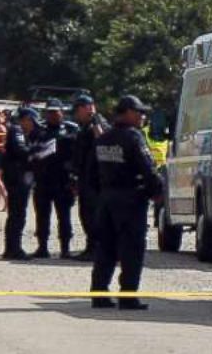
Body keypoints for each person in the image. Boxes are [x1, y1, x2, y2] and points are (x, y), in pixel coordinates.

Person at [89, 96, 164, 310]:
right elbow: (147, 168)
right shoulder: (133, 137)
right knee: (131, 249)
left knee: (106, 248)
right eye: (139, 112)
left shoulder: (103, 138)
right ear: (127, 112)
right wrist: (157, 191)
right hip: (130, 201)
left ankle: (99, 293)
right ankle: (128, 296)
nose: (142, 116)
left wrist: (99, 196)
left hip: (106, 200)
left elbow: (90, 172)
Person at [30, 99, 79, 259]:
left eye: (55, 112)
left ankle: (65, 248)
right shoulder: (39, 130)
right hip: (43, 179)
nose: (52, 115)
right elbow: (32, 151)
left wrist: (74, 177)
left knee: (64, 216)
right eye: (49, 112)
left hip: (63, 180)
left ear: (62, 112)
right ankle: (42, 247)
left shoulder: (71, 129)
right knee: (42, 216)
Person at [70, 95, 107, 258]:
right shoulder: (84, 126)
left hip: (96, 179)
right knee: (85, 214)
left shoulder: (98, 123)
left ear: (86, 108)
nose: (76, 115)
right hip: (86, 177)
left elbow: (103, 142)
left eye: (78, 110)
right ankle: (91, 247)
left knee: (93, 215)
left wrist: (95, 122)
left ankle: (97, 249)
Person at [1, 108, 37, 259]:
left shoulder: (20, 130)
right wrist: (35, 150)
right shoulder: (17, 130)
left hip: (18, 176)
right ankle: (13, 249)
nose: (33, 125)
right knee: (17, 214)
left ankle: (13, 247)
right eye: (32, 121)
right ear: (26, 119)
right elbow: (20, 150)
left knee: (17, 213)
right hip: (17, 177)